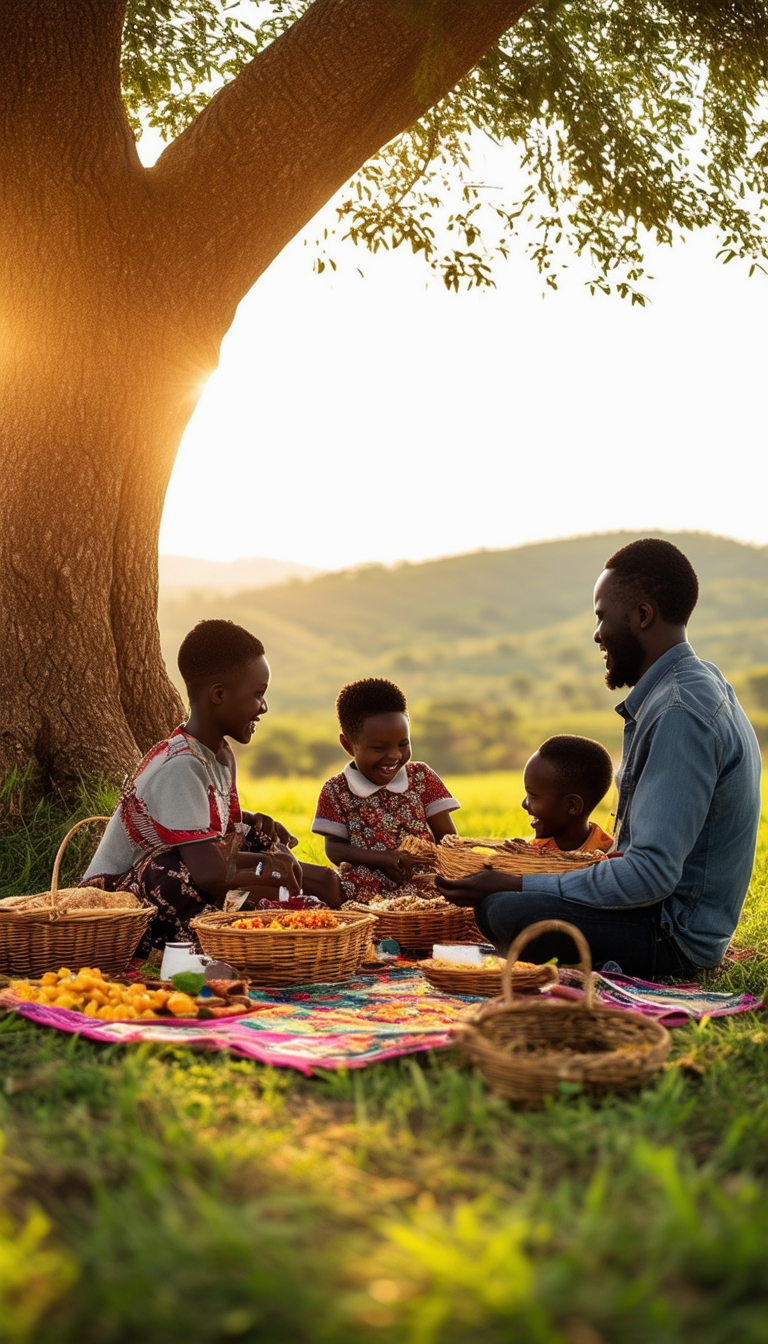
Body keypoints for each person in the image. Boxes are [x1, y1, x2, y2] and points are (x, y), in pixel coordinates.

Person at [437, 539, 762, 979]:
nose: (596, 634)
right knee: (508, 905)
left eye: (601, 616)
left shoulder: (679, 712)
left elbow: (649, 876)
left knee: (504, 910)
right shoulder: (697, 684)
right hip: (663, 916)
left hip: (673, 937)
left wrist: (518, 882)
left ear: (642, 616)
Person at [81, 620, 340, 953]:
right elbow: (209, 873)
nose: (264, 707)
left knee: (255, 832)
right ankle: (227, 927)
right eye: (258, 695)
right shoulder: (180, 765)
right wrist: (268, 868)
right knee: (174, 873)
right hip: (118, 905)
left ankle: (286, 903)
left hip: (195, 874)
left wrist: (265, 844)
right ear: (218, 694)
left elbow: (225, 836)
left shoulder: (218, 756)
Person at [311, 677, 460, 902]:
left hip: (424, 882)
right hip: (368, 889)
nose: (394, 756)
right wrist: (383, 859)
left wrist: (448, 873)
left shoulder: (421, 777)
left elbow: (447, 838)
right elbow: (334, 849)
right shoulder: (337, 790)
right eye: (379, 748)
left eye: (403, 744)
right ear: (348, 745)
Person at [520, 735, 614, 854]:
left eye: (533, 796)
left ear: (572, 805)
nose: (524, 803)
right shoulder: (532, 851)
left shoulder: (608, 857)